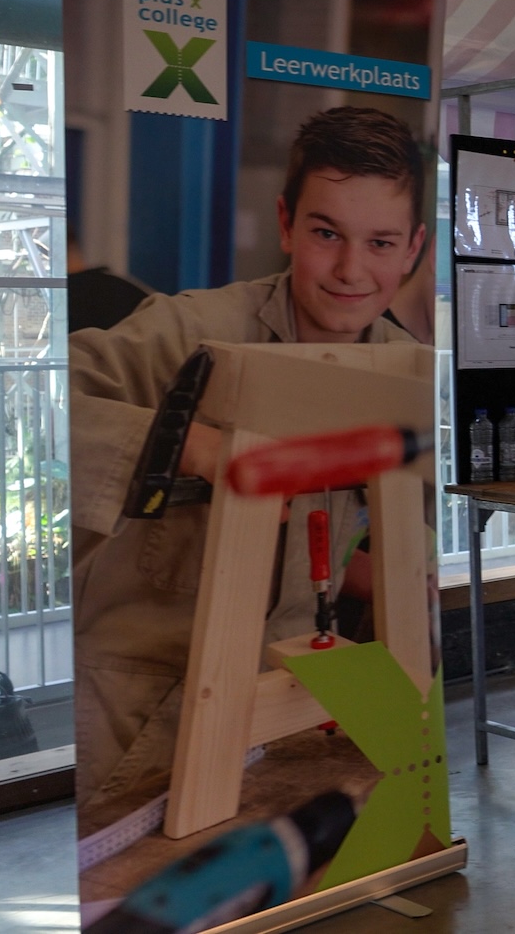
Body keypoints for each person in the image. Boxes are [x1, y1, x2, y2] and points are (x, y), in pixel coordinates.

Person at [71, 106, 429, 820]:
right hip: (132, 706)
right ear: (286, 224)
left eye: (381, 242)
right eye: (326, 233)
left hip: (282, 724)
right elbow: (32, 405)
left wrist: (388, 566)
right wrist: (194, 446)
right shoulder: (192, 331)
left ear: (414, 247)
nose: (352, 269)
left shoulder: (411, 375)